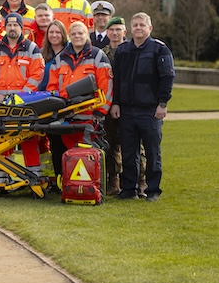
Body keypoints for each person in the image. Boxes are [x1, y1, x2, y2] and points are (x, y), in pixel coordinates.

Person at [110, 12, 174, 201]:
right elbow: (117, 79)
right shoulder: (123, 50)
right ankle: (129, 189)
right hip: (127, 110)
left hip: (150, 110)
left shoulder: (159, 50)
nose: (138, 28)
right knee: (129, 152)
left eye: (142, 25)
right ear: (130, 29)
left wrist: (163, 104)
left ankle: (152, 190)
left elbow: (167, 77)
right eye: (135, 25)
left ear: (150, 28)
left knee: (152, 152)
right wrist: (116, 103)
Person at [0, 13, 45, 179]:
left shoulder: (32, 48)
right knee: (0, 138)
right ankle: (2, 176)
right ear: (5, 27)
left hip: (25, 104)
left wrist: (22, 96)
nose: (12, 28)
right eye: (9, 25)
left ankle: (34, 176)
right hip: (0, 104)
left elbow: (37, 74)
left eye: (16, 25)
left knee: (29, 139)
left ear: (21, 28)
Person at [45, 21, 113, 172]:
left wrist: (100, 112)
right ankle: (70, 185)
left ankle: (90, 185)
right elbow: (52, 87)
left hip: (90, 116)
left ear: (86, 35)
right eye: (74, 34)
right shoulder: (60, 58)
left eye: (80, 33)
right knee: (68, 154)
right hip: (67, 116)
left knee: (88, 155)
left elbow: (106, 86)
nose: (77, 37)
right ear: (69, 36)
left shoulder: (97, 55)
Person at [102, 16, 127, 195]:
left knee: (133, 144)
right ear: (107, 32)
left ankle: (137, 180)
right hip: (108, 104)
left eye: (119, 30)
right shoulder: (102, 53)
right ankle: (113, 180)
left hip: (129, 103)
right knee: (110, 143)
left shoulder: (131, 51)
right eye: (112, 30)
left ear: (124, 32)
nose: (115, 33)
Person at [37, 19, 69, 90]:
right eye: (51, 32)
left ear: (63, 34)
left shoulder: (70, 52)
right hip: (43, 94)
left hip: (63, 94)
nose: (54, 35)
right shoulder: (41, 53)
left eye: (58, 32)